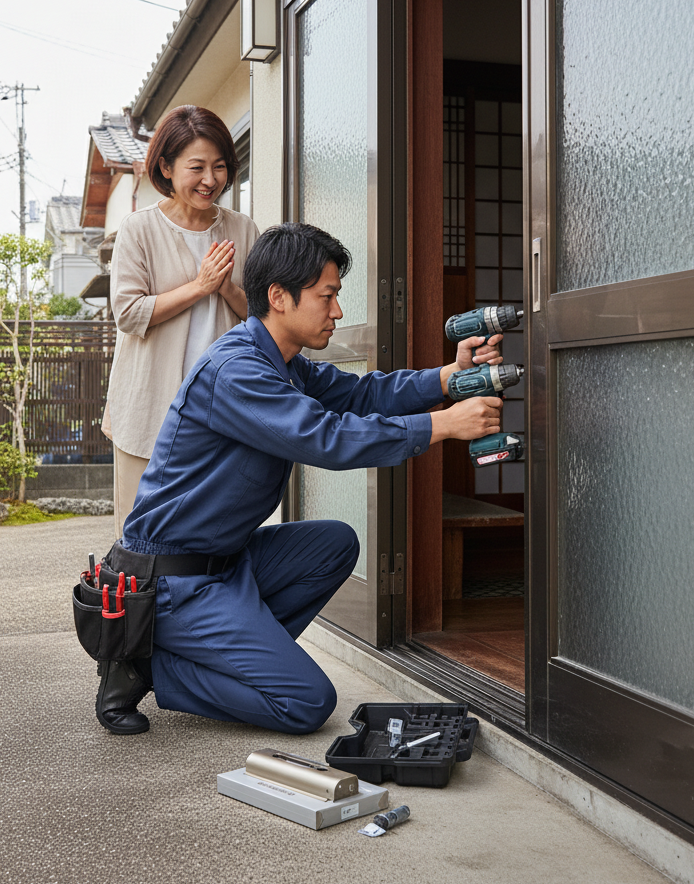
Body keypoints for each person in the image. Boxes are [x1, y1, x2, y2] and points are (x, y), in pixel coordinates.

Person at [94, 222, 503, 736]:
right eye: (327, 296)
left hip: (227, 564)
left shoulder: (285, 364)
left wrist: (447, 377)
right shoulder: (237, 371)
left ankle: (234, 657)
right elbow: (324, 438)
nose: (337, 311)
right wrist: (441, 424)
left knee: (333, 544)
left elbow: (361, 395)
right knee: (306, 702)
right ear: (279, 297)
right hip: (173, 581)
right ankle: (149, 663)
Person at [102, 105, 259, 538]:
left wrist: (227, 289)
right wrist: (201, 285)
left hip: (223, 407)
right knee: (142, 533)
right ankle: (142, 610)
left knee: (214, 532)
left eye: (220, 167)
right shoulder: (138, 229)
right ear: (167, 168)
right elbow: (129, 313)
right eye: (197, 167)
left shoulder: (244, 230)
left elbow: (265, 317)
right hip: (150, 405)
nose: (210, 179)